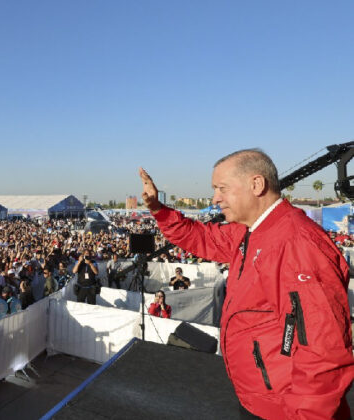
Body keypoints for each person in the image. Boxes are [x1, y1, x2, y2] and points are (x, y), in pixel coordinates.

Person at [139, 149, 354, 419]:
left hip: (284, 409)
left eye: (222, 188)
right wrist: (158, 210)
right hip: (259, 396)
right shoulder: (251, 230)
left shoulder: (295, 243)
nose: (215, 198)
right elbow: (201, 238)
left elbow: (322, 351)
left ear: (256, 185)